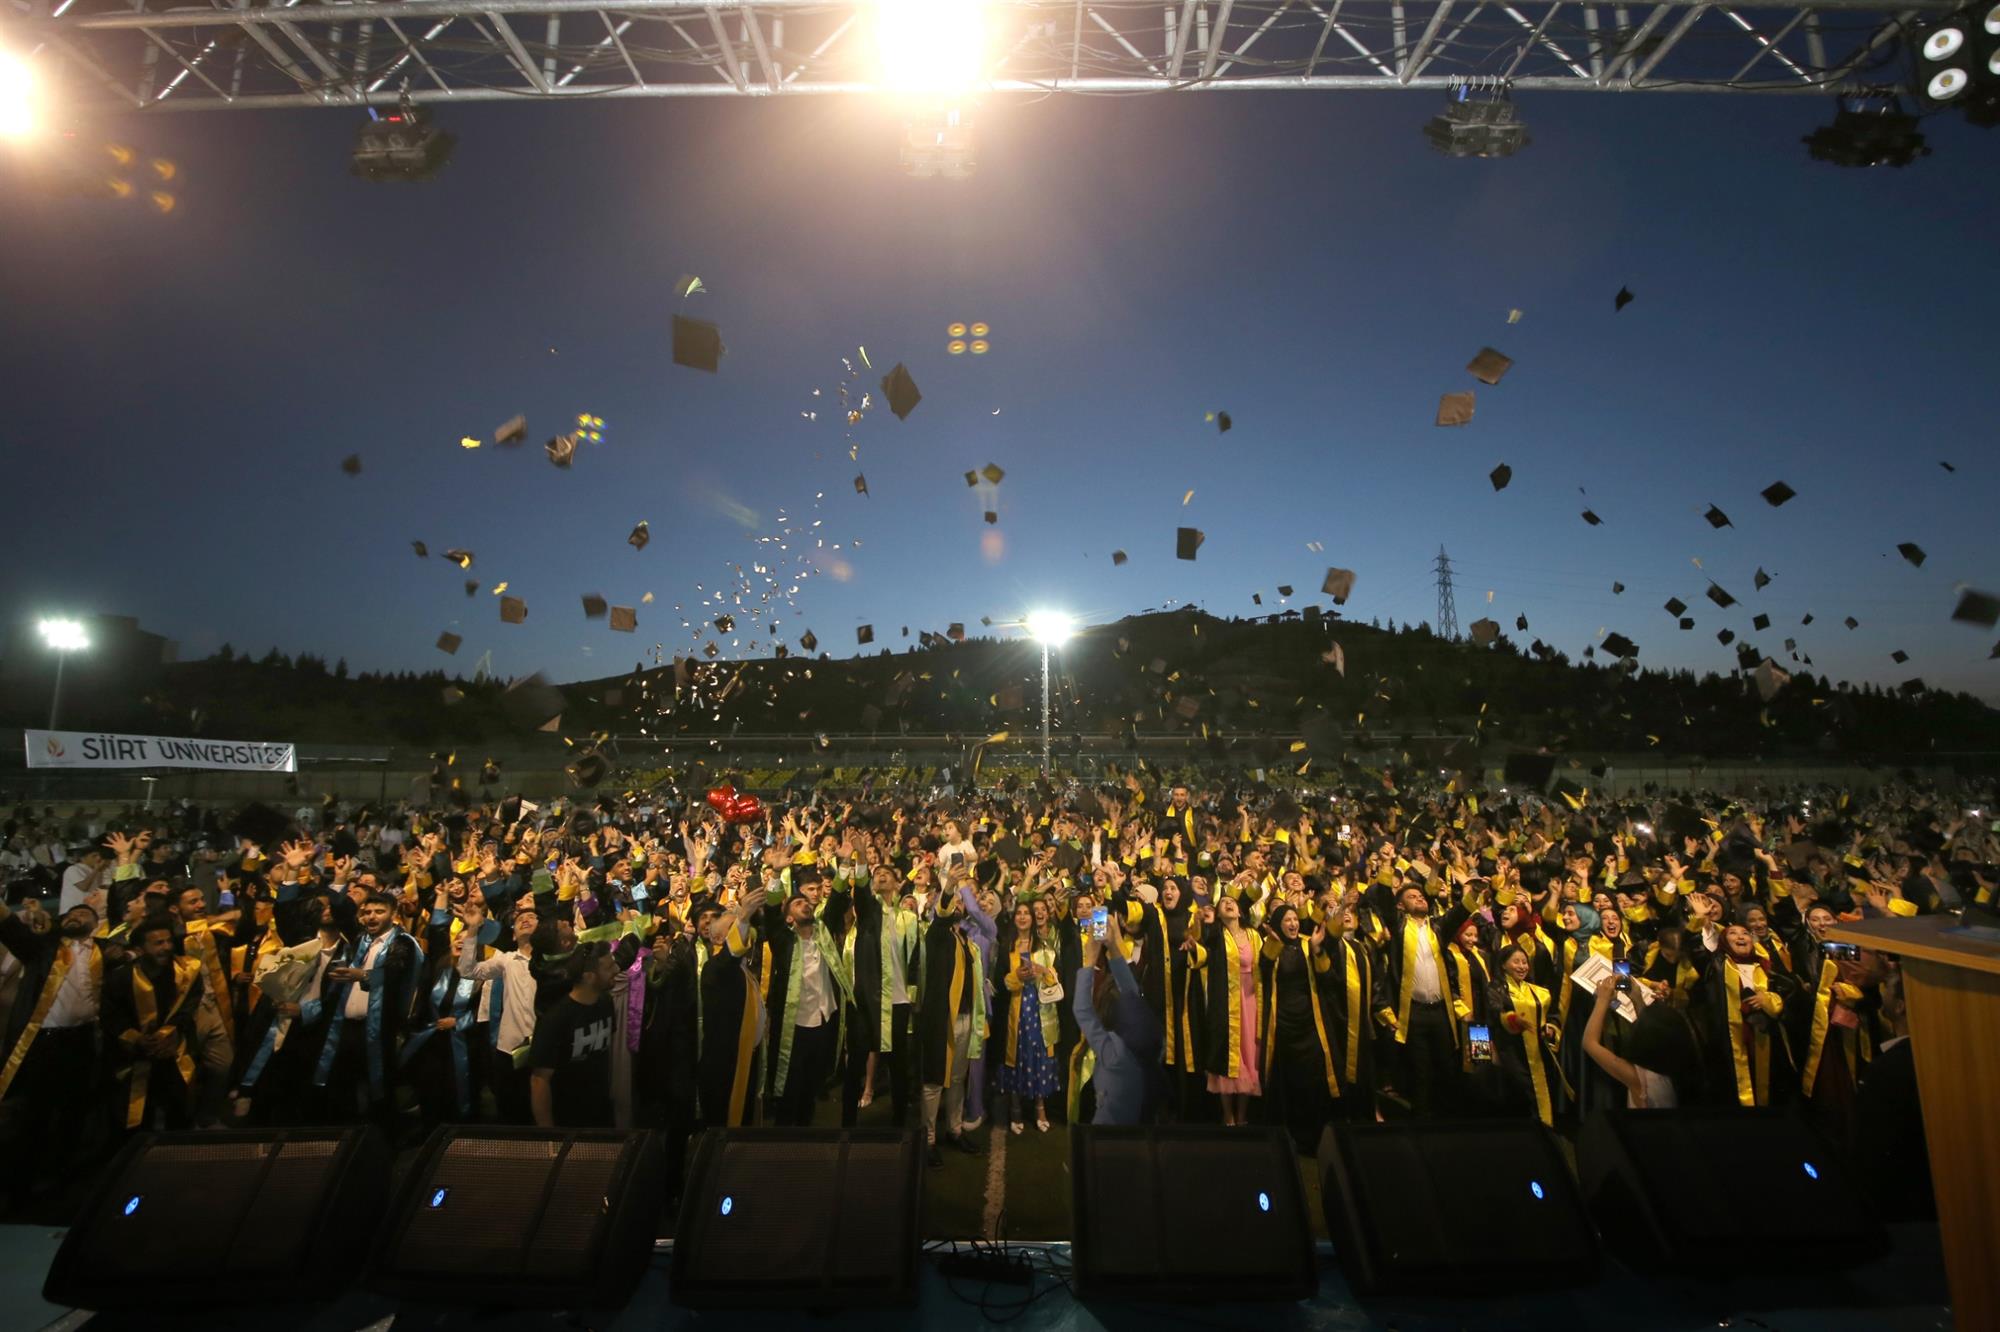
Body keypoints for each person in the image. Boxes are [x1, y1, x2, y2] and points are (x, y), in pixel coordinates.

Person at [0, 896, 110, 1189]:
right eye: (70, 914)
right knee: (35, 1113)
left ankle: (63, 1176)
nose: (75, 917)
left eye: (83, 914)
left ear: (96, 925)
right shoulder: (44, 950)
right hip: (44, 1045)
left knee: (74, 1111)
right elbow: (11, 928)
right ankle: (23, 1180)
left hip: (83, 1042)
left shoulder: (106, 953)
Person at [310, 890, 419, 1134]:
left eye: (379, 912)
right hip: (346, 1027)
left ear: (393, 914)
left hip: (379, 1030)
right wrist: (340, 883)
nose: (371, 917)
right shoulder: (360, 941)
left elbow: (395, 974)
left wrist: (362, 975)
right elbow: (340, 914)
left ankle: (382, 1142)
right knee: (342, 1085)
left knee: (379, 1088)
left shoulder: (403, 943)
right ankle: (345, 1138)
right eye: (367, 912)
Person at [1256, 903, 1339, 1152]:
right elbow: (1264, 965)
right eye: (1286, 920)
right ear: (1278, 925)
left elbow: (1328, 979)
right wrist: (1272, 943)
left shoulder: (1307, 942)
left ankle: (1314, 1135)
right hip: (1283, 1024)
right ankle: (1290, 1136)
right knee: (1288, 1081)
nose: (1292, 923)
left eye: (1294, 918)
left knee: (1313, 1080)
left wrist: (1317, 951)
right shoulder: (1272, 946)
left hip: (1310, 1023)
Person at [916, 882, 985, 1165]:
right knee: (934, 1079)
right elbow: (941, 916)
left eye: (960, 901)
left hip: (966, 1017)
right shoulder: (936, 936)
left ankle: (954, 1130)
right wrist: (947, 891)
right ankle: (928, 1139)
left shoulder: (968, 942)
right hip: (942, 1018)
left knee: (957, 1078)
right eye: (952, 902)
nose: (957, 904)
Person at [1373, 884, 1457, 1116]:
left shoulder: (1438, 927)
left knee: (1447, 1067)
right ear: (1401, 905)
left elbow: (1460, 912)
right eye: (1412, 896)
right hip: (1414, 1012)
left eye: (1421, 895)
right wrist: (1388, 864)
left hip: (1440, 1010)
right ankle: (1422, 1123)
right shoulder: (1399, 927)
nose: (1419, 898)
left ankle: (1448, 1124)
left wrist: (1474, 891)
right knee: (1421, 1071)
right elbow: (1382, 898)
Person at [1076, 913, 1161, 1125]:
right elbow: (1132, 994)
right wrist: (1114, 945)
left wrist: (1091, 956)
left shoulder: (1112, 1056)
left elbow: (1083, 1010)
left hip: (1107, 1146)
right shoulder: (1153, 1044)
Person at [529, 941, 617, 1128]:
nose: (616, 969)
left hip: (601, 1115)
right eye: (609, 967)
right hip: (568, 1123)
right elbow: (539, 1080)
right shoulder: (556, 1019)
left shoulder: (606, 1003)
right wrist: (549, 1136)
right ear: (589, 977)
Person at [1580, 973, 1701, 1108]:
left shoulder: (1638, 1078)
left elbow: (1589, 1042)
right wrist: (1637, 998)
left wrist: (1602, 999)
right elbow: (1653, 1031)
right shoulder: (1681, 1070)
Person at [994, 900, 1061, 1134]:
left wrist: (1043, 971)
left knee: (1039, 1056)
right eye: (1019, 913)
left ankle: (1040, 1109)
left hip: (1040, 1012)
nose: (1023, 917)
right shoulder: (1007, 947)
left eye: (1027, 913)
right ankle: (1015, 1110)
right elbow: (1000, 983)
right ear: (1014, 919)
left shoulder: (1043, 946)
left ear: (1033, 919)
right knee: (1016, 1057)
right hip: (1015, 1012)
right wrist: (1017, 977)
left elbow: (1054, 980)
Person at [1487, 943, 1566, 1126]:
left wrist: (1550, 1029)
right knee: (1515, 1092)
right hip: (1508, 1049)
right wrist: (1514, 1020)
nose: (1522, 966)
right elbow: (1494, 1012)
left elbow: (1553, 1015)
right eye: (1516, 962)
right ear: (1503, 965)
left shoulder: (1538, 992)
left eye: (1524, 962)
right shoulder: (1496, 989)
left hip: (1538, 1051)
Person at [1200, 893, 1261, 1125]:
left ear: (1240, 911)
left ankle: (1243, 1114)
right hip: (1225, 1002)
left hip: (1251, 1000)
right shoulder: (1216, 935)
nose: (1228, 904)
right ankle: (1228, 1115)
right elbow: (1204, 944)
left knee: (1249, 1053)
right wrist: (1206, 923)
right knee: (1228, 1053)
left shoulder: (1254, 935)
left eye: (1232, 902)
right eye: (1223, 902)